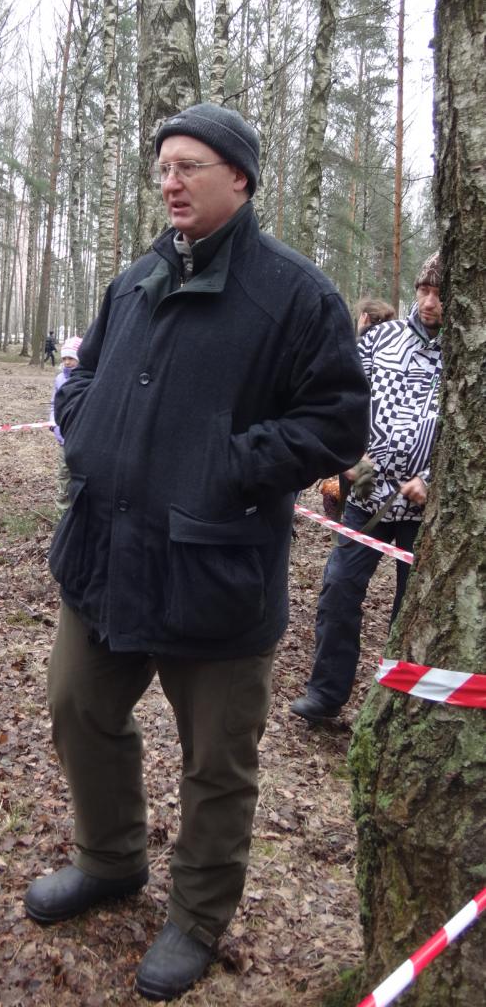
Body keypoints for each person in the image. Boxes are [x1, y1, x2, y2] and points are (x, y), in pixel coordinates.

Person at [24, 102, 370, 1001]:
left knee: (216, 762)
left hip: (215, 572)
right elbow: (83, 375)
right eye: (163, 169)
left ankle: (197, 917)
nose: (169, 183)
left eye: (189, 167)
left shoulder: (295, 295)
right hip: (104, 553)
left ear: (239, 178)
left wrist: (226, 463)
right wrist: (84, 424)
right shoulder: (136, 279)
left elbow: (338, 424)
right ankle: (109, 860)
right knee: (76, 707)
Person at [291, 252, 443, 724]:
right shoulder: (381, 338)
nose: (430, 303)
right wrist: (349, 458)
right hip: (367, 499)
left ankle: (396, 710)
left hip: (428, 513)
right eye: (424, 291)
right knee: (339, 589)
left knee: (413, 611)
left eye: (441, 295)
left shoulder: (468, 353)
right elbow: (345, 398)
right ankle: (325, 693)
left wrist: (433, 481)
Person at [48, 336, 82, 519]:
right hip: (64, 437)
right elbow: (54, 405)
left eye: (71, 358)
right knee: (64, 473)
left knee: (82, 473)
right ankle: (62, 510)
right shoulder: (60, 379)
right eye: (64, 358)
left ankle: (80, 509)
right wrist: (54, 425)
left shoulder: (89, 378)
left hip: (83, 437)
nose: (67, 362)